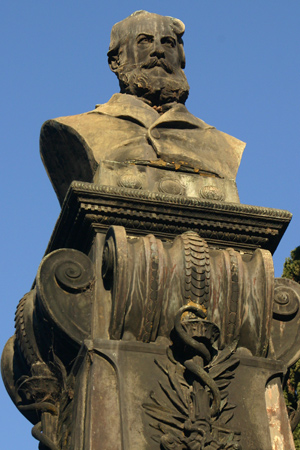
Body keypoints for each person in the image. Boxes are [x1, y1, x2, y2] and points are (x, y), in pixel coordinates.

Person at [40, 11, 245, 205]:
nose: (158, 51)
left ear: (181, 58)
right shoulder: (76, 128)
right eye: (144, 41)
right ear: (115, 61)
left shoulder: (221, 143)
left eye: (168, 43)